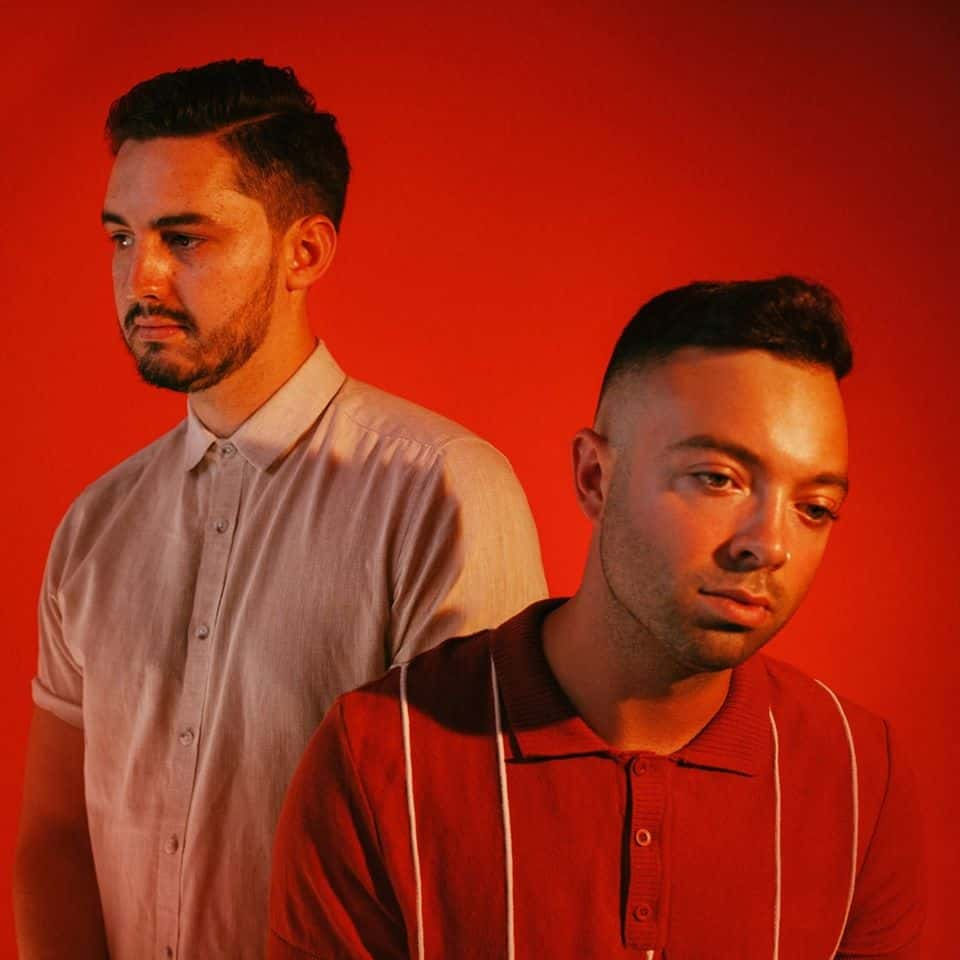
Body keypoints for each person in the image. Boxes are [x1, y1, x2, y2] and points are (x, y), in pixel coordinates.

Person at [13, 59, 546, 960]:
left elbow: (479, 869)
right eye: (119, 236)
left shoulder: (440, 493)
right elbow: (55, 838)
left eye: (184, 239)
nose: (139, 277)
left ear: (305, 252)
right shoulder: (94, 529)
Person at [269, 277, 925, 959]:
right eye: (718, 478)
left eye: (814, 507)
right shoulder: (377, 754)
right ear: (594, 477)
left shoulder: (859, 777)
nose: (771, 543)